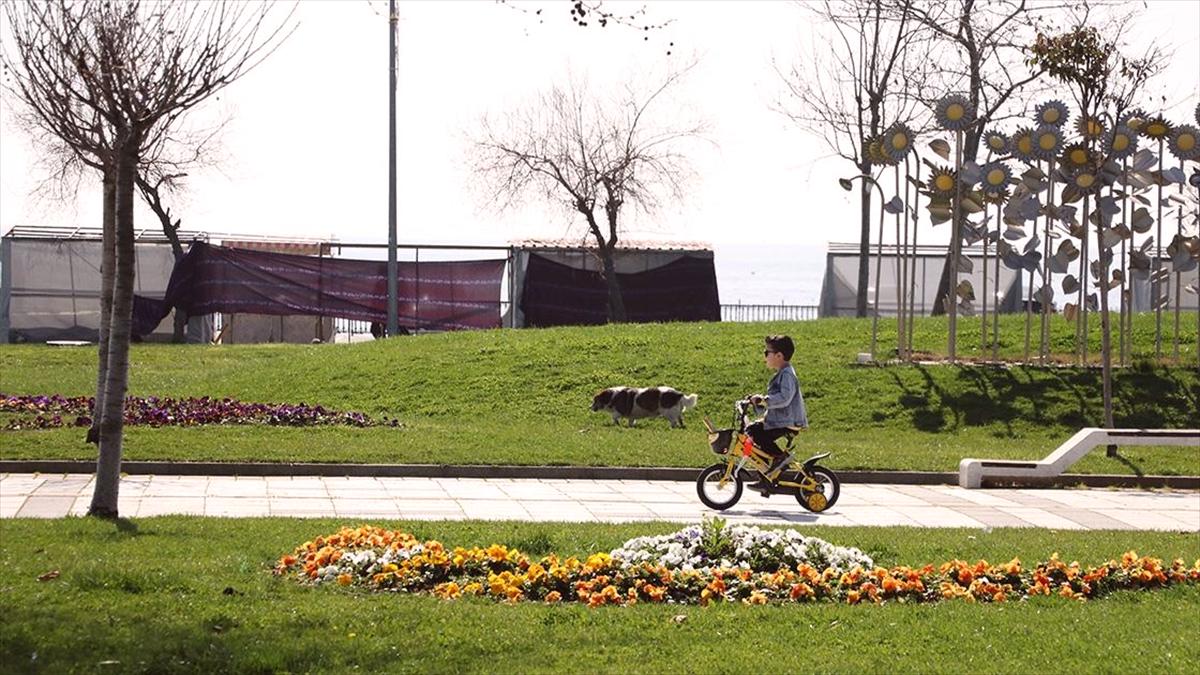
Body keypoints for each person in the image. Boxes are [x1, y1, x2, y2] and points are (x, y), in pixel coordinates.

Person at [747, 334, 808, 482]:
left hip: (788, 421)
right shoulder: (783, 373)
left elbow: (784, 398)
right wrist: (756, 402)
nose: (765, 356)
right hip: (782, 419)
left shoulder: (787, 374)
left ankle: (780, 459)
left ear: (779, 355)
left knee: (755, 432)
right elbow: (775, 402)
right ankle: (767, 474)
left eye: (767, 352)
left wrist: (764, 400)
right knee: (753, 430)